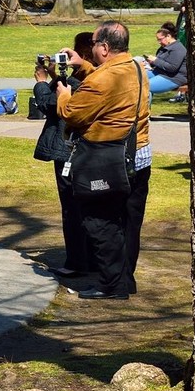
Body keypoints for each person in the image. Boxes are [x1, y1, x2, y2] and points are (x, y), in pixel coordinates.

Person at [56, 20, 150, 300]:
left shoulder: (101, 80)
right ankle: (124, 281)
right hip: (139, 158)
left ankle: (111, 285)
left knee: (100, 222)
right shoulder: (137, 68)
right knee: (128, 224)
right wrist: (82, 66)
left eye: (95, 44)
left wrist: (64, 96)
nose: (93, 49)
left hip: (107, 162)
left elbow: (73, 114)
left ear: (105, 47)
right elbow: (109, 82)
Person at [34, 33, 90, 277]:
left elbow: (54, 107)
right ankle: (88, 258)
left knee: (72, 207)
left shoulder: (80, 82)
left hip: (69, 150)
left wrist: (41, 81)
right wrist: (57, 75)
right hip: (88, 150)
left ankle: (77, 261)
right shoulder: (94, 75)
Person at [140, 22, 187, 96]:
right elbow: (161, 62)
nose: (159, 42)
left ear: (168, 36)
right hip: (160, 72)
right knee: (135, 77)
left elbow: (172, 68)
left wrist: (155, 60)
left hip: (173, 78)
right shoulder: (165, 47)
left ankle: (143, 107)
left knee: (142, 87)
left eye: (160, 39)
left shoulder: (178, 49)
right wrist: (150, 62)